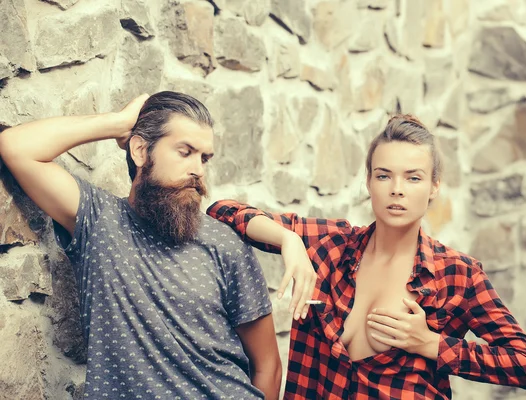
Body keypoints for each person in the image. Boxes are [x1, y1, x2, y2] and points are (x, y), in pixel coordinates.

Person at [0, 91, 315, 399]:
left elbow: (268, 366)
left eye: (204, 158)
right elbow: (15, 146)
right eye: (185, 151)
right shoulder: (98, 219)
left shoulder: (225, 243)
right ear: (140, 151)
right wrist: (118, 122)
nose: (198, 170)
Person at [207, 114, 526, 399]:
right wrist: (288, 239)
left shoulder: (457, 275)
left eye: (413, 177)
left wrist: (431, 344)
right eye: (384, 175)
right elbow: (223, 210)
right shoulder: (329, 246)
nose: (396, 188)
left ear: (434, 187)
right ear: (369, 181)